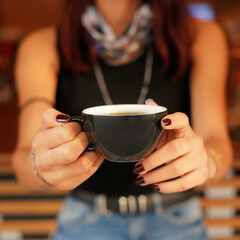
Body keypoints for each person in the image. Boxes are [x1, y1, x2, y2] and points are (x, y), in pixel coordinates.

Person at [12, 0, 233, 239]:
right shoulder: (41, 46)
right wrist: (41, 165)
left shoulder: (201, 36)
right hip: (87, 222)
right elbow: (25, 157)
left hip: (176, 220)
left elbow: (217, 140)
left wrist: (208, 163)